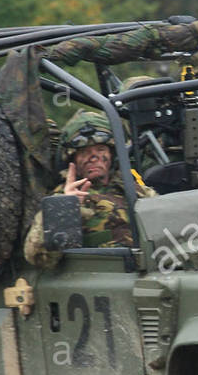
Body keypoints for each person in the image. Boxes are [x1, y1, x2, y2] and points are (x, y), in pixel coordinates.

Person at [24, 109, 152, 268]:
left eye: (100, 149)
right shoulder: (60, 198)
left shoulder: (134, 189)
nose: (93, 157)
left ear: (111, 154)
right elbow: (38, 257)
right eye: (84, 152)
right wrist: (65, 207)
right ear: (72, 159)